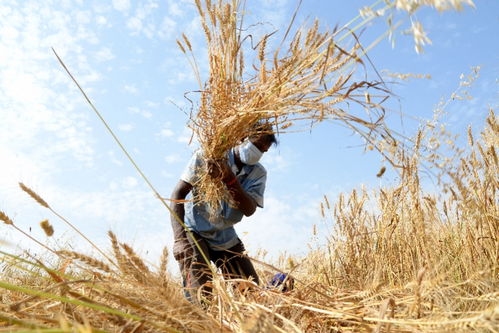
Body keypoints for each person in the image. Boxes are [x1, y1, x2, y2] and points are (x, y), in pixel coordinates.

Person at [170, 128, 277, 302]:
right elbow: (177, 194)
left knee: (250, 293)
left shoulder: (258, 173)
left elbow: (249, 210)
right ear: (243, 138)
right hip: (194, 229)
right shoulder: (208, 156)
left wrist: (229, 180)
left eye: (263, 151)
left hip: (225, 235)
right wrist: (180, 240)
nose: (257, 153)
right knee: (200, 295)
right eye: (256, 146)